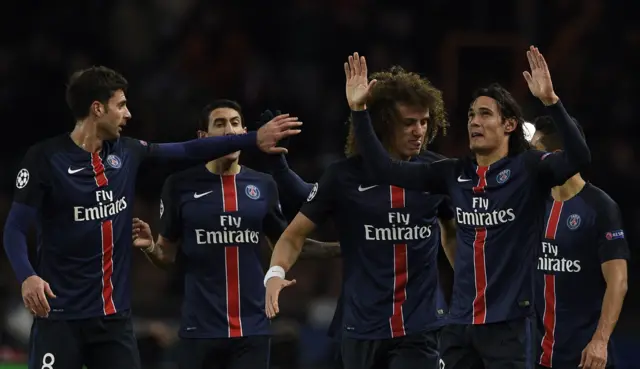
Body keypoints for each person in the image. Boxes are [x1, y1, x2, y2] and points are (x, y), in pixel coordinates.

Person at [2, 66, 301, 369]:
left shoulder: (128, 152)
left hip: (113, 320)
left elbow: (187, 149)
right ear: (97, 109)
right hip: (59, 316)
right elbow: (14, 228)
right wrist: (27, 276)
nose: (128, 114)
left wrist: (251, 139)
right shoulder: (45, 159)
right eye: (120, 105)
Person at [347, 47, 591, 369]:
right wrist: (359, 111)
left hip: (510, 324)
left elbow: (579, 158)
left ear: (509, 125)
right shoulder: (452, 173)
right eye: (471, 115)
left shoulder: (530, 170)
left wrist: (551, 102)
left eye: (485, 114)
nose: (474, 121)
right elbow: (384, 170)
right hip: (459, 325)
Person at [264, 66, 458, 369]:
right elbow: (293, 235)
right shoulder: (343, 177)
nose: (419, 131)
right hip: (362, 326)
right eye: (408, 123)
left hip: (421, 325)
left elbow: (451, 231)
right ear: (383, 123)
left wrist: (467, 280)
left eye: (423, 122)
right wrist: (275, 274)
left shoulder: (436, 173)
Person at [130, 99, 340, 369]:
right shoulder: (179, 186)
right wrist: (149, 247)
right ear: (202, 137)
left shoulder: (264, 185)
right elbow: (166, 256)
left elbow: (289, 244)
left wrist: (342, 246)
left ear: (244, 133)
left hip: (252, 331)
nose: (229, 130)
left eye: (235, 123)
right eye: (220, 124)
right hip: (199, 330)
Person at [529, 116, 628, 369]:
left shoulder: (600, 207)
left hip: (586, 357)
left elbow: (618, 281)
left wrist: (600, 340)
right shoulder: (533, 204)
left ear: (559, 156)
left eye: (536, 152)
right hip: (538, 356)